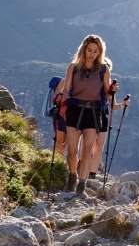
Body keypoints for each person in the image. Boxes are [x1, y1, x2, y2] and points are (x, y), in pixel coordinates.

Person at [53, 34, 127, 192]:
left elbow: (106, 94)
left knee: (87, 150)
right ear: (84, 50)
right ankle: (72, 176)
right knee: (72, 151)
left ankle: (82, 184)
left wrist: (112, 91)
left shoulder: (103, 69)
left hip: (93, 113)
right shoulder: (73, 67)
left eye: (96, 51)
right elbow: (67, 90)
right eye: (89, 50)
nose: (92, 54)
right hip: (74, 110)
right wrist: (61, 98)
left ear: (100, 52)